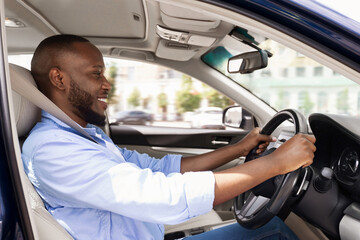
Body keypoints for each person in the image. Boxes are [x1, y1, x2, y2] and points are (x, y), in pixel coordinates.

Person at [22, 34, 316, 240]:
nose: (107, 84)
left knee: (273, 227)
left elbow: (160, 170)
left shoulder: (85, 138)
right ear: (59, 78)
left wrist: (239, 149)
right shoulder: (52, 149)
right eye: (96, 74)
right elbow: (166, 197)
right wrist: (276, 164)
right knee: (276, 232)